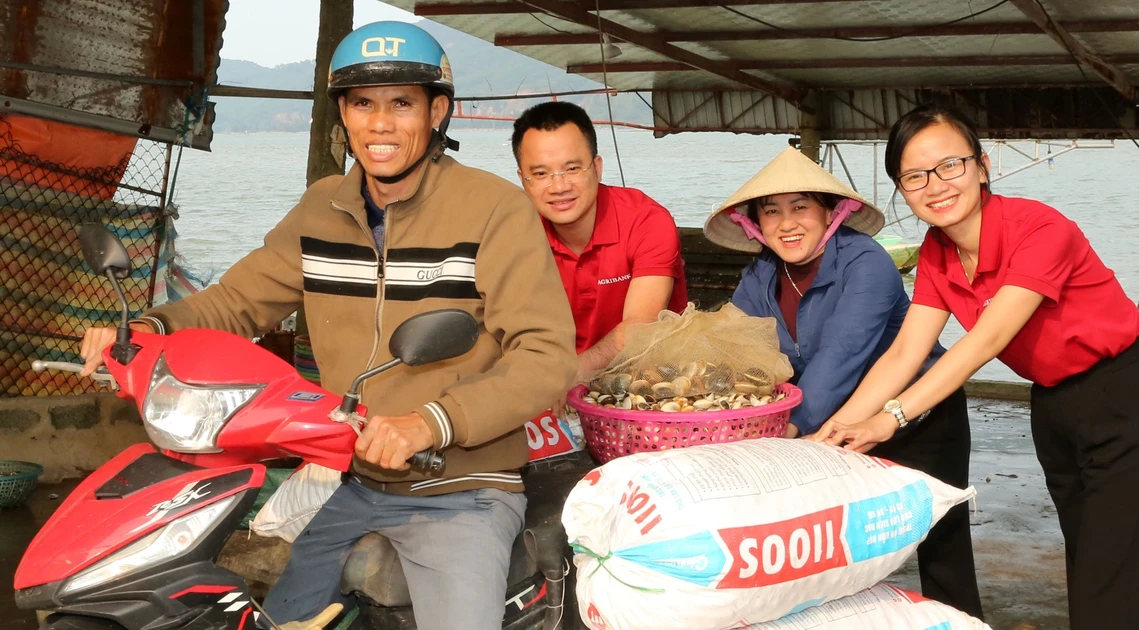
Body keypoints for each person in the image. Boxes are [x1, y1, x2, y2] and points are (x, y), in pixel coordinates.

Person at [79, 21, 577, 630]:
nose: (381, 123)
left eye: (402, 104)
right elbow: (239, 300)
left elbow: (546, 355)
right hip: (358, 483)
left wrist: (430, 422)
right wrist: (151, 329)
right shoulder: (323, 207)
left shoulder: (494, 209)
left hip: (465, 488)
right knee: (280, 617)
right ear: (343, 114)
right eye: (362, 103)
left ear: (438, 111)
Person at [812, 103, 1139, 630]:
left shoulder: (1039, 228)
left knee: (1120, 571)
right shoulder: (937, 252)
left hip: (1122, 396)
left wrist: (889, 420)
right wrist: (834, 431)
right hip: (1053, 405)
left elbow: (986, 340)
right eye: (914, 175)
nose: (935, 185)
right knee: (1089, 559)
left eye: (950, 165)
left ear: (982, 167)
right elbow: (904, 352)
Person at [703, 147, 983, 617]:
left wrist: (790, 435)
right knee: (840, 549)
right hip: (829, 428)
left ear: (831, 213)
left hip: (918, 416)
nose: (786, 224)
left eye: (800, 208)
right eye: (771, 212)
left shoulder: (865, 263)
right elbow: (736, 352)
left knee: (943, 550)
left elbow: (842, 356)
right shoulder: (759, 275)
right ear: (753, 224)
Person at [511, 101, 688, 388]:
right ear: (523, 180)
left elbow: (640, 328)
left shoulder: (646, 221)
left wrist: (569, 374)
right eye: (541, 174)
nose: (559, 186)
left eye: (572, 168)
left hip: (650, 378)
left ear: (597, 167)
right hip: (552, 380)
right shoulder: (513, 233)